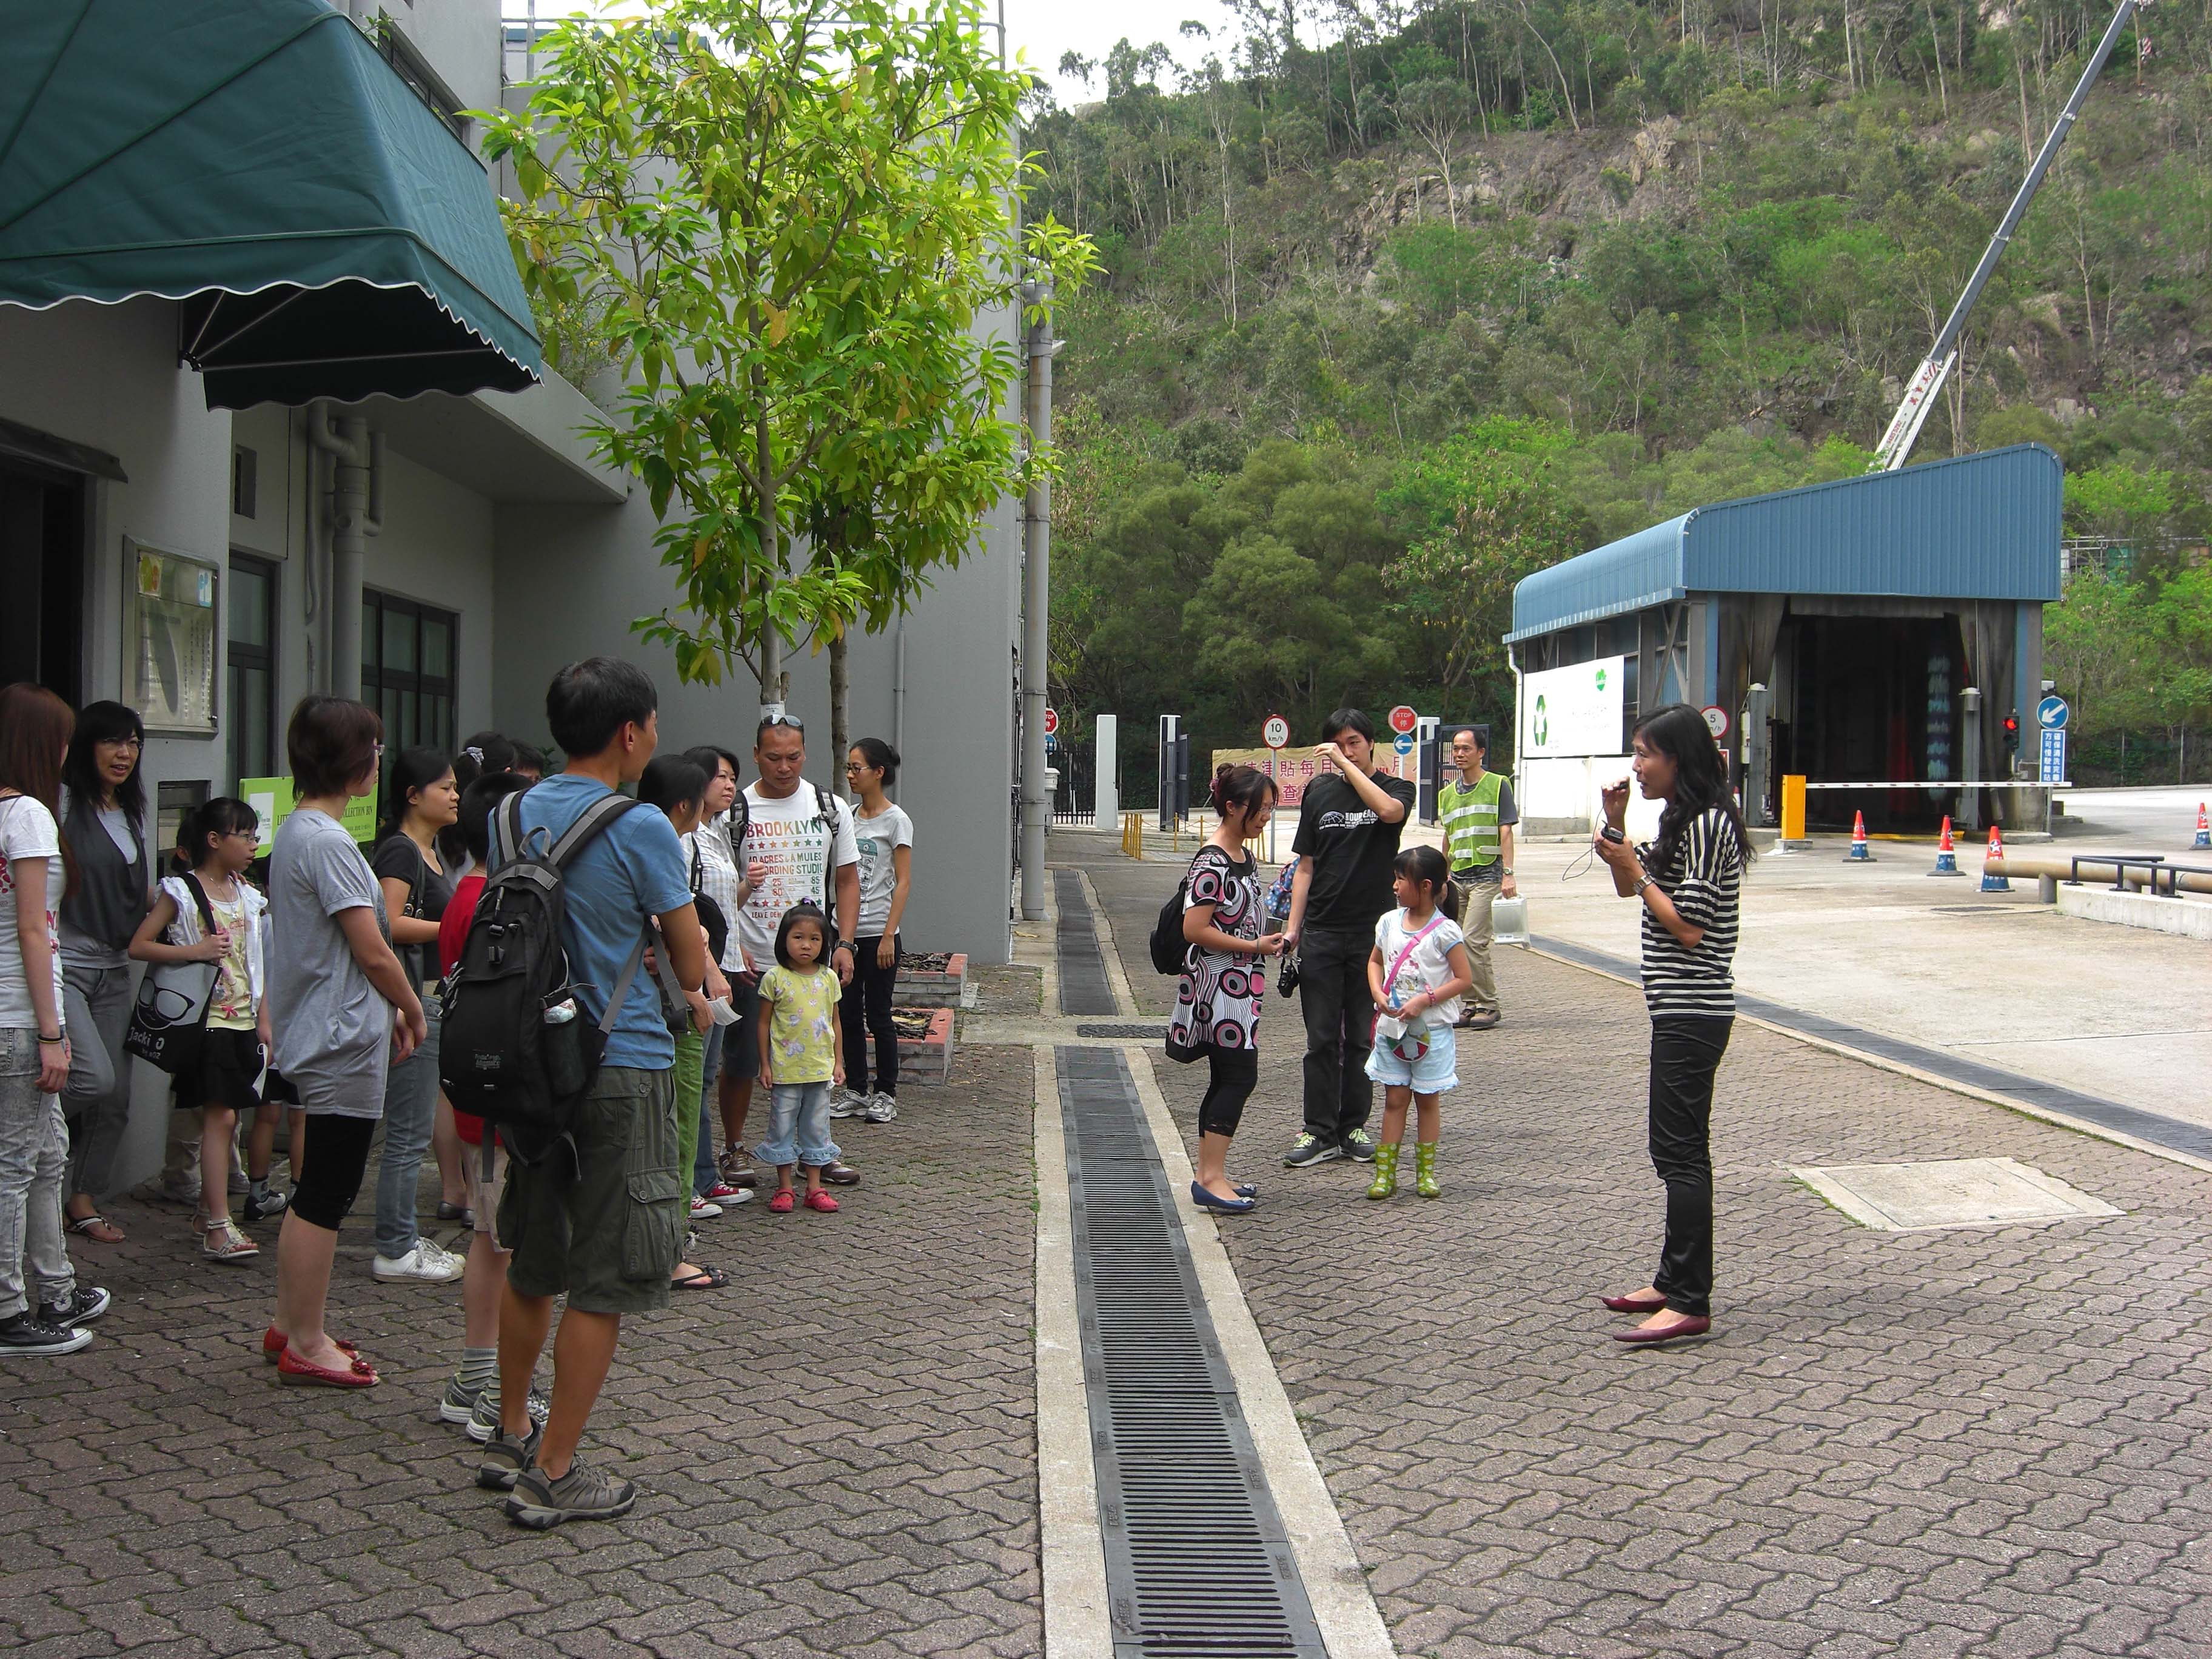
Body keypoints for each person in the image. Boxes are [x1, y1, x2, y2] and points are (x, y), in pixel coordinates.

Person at [483, 657, 703, 1530]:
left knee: (534, 1260)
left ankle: (512, 1433)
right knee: (606, 1277)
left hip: (531, 1067)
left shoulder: (507, 814)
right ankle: (556, 1472)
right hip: (621, 1063)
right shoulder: (641, 825)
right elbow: (690, 963)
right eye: (653, 723)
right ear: (629, 733)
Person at [266, 696, 427, 1388]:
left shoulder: (300, 831)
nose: (379, 760)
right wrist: (410, 1006)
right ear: (352, 758)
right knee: (327, 1192)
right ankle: (306, 1339)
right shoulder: (326, 841)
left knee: (319, 1187)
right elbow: (373, 948)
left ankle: (292, 1323)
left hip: (326, 1027)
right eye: (373, 748)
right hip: (338, 1035)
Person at [1592, 703, 1751, 1347]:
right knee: (1673, 1150)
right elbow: (1631, 890)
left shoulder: (1709, 823)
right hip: (1676, 1007)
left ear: (1677, 759)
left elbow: (1689, 927)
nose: (1636, 766)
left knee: (1681, 1154)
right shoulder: (1680, 820)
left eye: (1644, 753)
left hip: (1695, 1008)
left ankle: (1689, 1299)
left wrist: (1635, 870)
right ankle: (1671, 1280)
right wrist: (1617, 828)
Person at [433, 768, 549, 1444]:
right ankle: (499, 1393)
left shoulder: (464, 897)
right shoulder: (503, 904)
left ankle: (474, 1376)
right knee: (510, 1244)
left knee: (490, 1240)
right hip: (507, 1100)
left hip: (478, 1098)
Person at [0, 685, 107, 1355]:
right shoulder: (30, 815)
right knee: (16, 1165)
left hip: (13, 1013)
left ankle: (55, 1286)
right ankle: (9, 1310)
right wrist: (51, 1032)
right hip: (20, 1014)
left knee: (46, 1153)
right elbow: (36, 929)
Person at [127, 799, 282, 1262]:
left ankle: (206, 1213)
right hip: (205, 1021)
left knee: (227, 1117)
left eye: (255, 836)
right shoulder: (181, 891)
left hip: (242, 1021)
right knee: (222, 1118)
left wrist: (264, 1022)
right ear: (214, 840)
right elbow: (139, 945)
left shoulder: (247, 894)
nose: (253, 845)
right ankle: (217, 1225)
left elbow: (256, 964)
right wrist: (192, 951)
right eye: (246, 836)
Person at [719, 716, 862, 1189]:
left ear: (806, 753)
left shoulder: (829, 807)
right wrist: (733, 946)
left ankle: (814, 1153)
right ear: (756, 755)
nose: (784, 767)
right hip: (753, 962)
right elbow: (719, 887)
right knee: (743, 1061)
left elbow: (847, 880)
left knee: (817, 1062)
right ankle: (734, 1149)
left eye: (794, 757)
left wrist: (844, 944)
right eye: (774, 757)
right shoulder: (735, 812)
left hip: (813, 966)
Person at [1280, 709, 1415, 1170]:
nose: (1346, 751)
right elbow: (1305, 866)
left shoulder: (1396, 788)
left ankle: (1353, 1126)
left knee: (1361, 1038)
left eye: (1354, 742)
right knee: (1321, 1039)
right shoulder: (1319, 793)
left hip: (1371, 937)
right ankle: (1318, 1131)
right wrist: (1293, 928)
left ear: (1371, 743)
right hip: (1321, 931)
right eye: (1337, 745)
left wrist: (1346, 766)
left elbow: (1390, 813)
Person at [1168, 765, 1286, 1216]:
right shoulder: (1212, 861)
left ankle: (1210, 1174)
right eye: (1261, 809)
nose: (1267, 817)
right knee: (1238, 1076)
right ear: (1233, 807)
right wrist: (1254, 946)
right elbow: (1194, 928)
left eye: (1271, 808)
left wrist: (1264, 941)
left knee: (1227, 1075)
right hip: (1219, 986)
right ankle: (1211, 1178)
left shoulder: (1242, 856)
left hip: (1240, 985)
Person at [367, 749, 465, 1285]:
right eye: (444, 787)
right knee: (407, 1132)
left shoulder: (430, 852)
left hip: (433, 997)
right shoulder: (401, 851)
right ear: (412, 795)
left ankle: (402, 1236)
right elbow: (386, 924)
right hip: (414, 1000)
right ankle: (395, 1246)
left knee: (415, 1125)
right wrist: (457, 928)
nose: (455, 795)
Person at [637, 752, 734, 1289]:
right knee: (676, 1124)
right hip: (670, 1006)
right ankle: (669, 1247)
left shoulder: (624, 835)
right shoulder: (665, 846)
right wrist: (699, 986)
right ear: (683, 804)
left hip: (635, 1005)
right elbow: (683, 937)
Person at [56, 700, 151, 1244]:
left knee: (115, 1100)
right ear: (86, 745)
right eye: (113, 741)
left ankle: (83, 1199)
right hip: (67, 965)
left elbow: (136, 891)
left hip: (116, 968)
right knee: (92, 1077)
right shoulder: (60, 803)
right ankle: (21, 1134)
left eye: (134, 743)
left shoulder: (130, 810)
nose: (125, 753)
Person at [1362, 846, 1474, 1201]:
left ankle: (1426, 1174)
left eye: (1401, 879)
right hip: (1392, 1031)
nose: (1395, 886)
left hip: (1432, 1032)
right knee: (1394, 1099)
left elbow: (1464, 979)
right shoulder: (1388, 923)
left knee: (1427, 1100)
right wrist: (1377, 992)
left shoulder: (1446, 931)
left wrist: (1426, 999)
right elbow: (1375, 962)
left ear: (1426, 886)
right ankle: (1385, 1175)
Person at [682, 745, 754, 1210]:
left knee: (705, 1077)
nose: (729, 785)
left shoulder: (717, 833)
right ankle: (688, 1186)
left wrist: (736, 949)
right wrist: (707, 968)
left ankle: (705, 1179)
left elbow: (722, 905)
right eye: (720, 777)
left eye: (732, 777)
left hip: (724, 967)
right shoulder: (684, 838)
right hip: (701, 972)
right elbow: (685, 910)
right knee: (691, 1080)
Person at [834, 739, 913, 1124]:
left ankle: (886, 1093)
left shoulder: (897, 820)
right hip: (846, 935)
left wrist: (888, 935)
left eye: (857, 768)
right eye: (848, 767)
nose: (851, 775)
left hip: (880, 933)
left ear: (879, 772)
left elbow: (903, 882)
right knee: (847, 1013)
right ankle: (856, 1090)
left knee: (878, 1015)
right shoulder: (847, 817)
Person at [754, 902, 844, 1214]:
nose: (806, 945)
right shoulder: (774, 978)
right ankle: (784, 1187)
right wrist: (765, 1064)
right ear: (784, 940)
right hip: (785, 1070)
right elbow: (763, 1023)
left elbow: (835, 1022)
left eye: (815, 939)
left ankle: (815, 1187)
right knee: (781, 1126)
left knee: (816, 1128)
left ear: (824, 944)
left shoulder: (829, 978)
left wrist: (838, 1062)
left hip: (819, 1070)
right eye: (798, 937)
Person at [1436, 726, 1518, 1030]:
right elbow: (1448, 836)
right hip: (1457, 877)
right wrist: (1442, 875)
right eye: (1456, 749)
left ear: (1481, 752)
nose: (1460, 754)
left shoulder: (1497, 785)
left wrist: (1508, 874)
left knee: (1473, 940)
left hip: (1488, 874)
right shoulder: (1446, 794)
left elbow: (1506, 831)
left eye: (1466, 749)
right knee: (1457, 942)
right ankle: (1470, 1004)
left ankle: (1488, 1004)